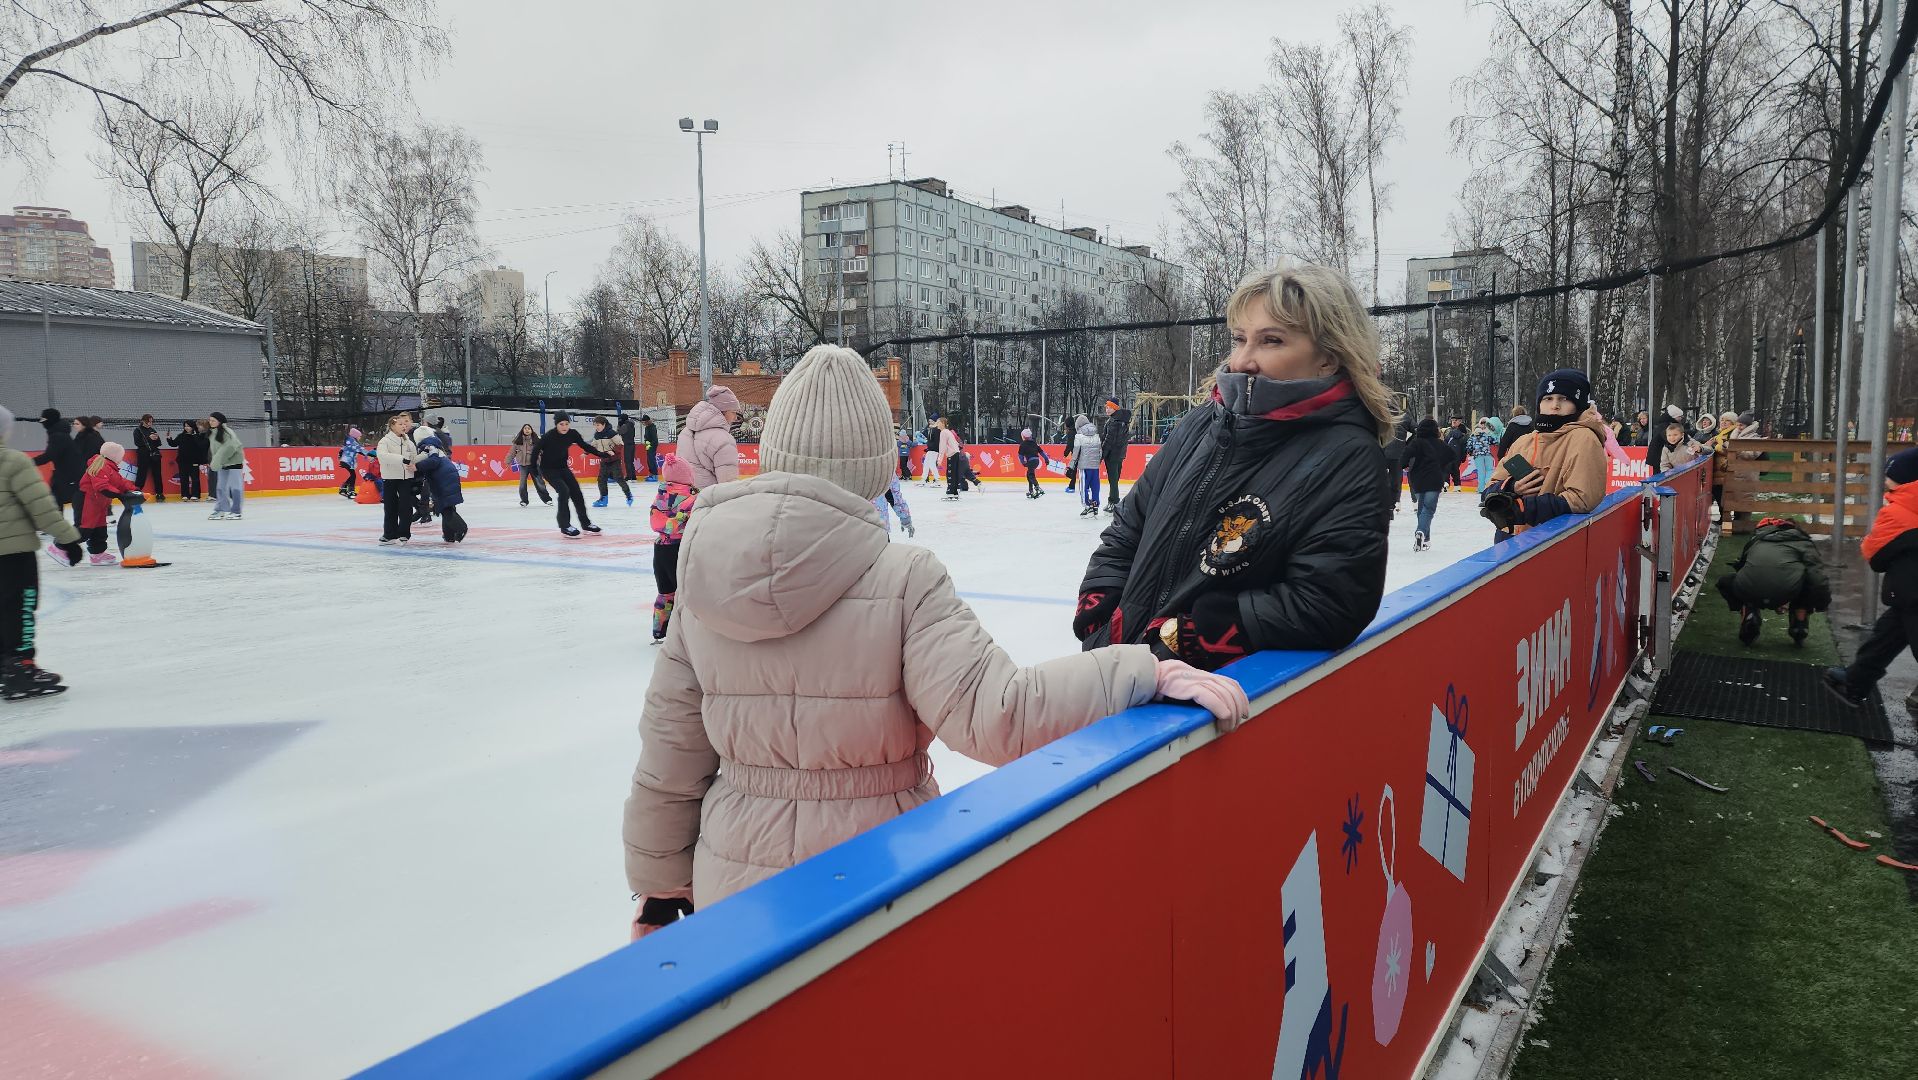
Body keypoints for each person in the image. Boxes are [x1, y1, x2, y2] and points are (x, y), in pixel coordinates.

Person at [622, 344, 1249, 936]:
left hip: (735, 893)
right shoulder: (902, 578)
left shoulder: (702, 578)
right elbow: (999, 714)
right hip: (876, 877)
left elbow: (669, 757)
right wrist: (1142, 670)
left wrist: (659, 891)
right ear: (876, 466)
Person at [1075, 263, 1396, 671]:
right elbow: (1128, 525)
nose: (1243, 360)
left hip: (1202, 690)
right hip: (1116, 665)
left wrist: (1188, 636)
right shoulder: (1202, 422)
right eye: (1240, 339)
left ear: (1328, 359)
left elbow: (1329, 601)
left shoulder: (1347, 455)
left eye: (1271, 341)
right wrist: (1100, 605)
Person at [1826, 449, 1918, 706]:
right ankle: (1855, 682)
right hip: (1907, 596)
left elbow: (1874, 554)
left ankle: (1854, 682)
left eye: (1889, 475)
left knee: (1888, 637)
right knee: (1886, 636)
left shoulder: (1899, 511)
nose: (1885, 481)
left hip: (1911, 592)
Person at [3, 406, 83, 699]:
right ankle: (20, 668)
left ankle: (5, 667)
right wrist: (68, 540)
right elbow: (41, 507)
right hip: (14, 554)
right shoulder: (12, 461)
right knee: (20, 608)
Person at [1480, 370, 1608, 539]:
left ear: (1578, 404)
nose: (1555, 405)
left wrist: (1523, 508)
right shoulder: (1524, 441)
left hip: (1547, 540)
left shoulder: (1583, 438)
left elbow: (1582, 498)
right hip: (1509, 538)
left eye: (1564, 398)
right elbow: (1489, 489)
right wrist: (1511, 488)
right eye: (1548, 398)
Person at [1716, 517, 1829, 645]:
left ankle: (1748, 611)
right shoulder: (1803, 543)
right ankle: (1800, 619)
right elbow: (1818, 579)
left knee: (1725, 582)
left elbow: (1741, 567)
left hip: (1750, 588)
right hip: (1786, 589)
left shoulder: (1757, 539)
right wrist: (1821, 604)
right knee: (1809, 580)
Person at [538, 412, 612, 537]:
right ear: (557, 425)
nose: (564, 427)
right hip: (548, 469)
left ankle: (586, 524)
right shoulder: (549, 436)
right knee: (564, 492)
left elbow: (585, 446)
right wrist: (534, 471)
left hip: (563, 468)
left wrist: (601, 454)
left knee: (577, 493)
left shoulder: (572, 434)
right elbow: (536, 450)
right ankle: (565, 526)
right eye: (561, 424)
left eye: (567, 424)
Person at [649, 453, 697, 642]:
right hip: (680, 550)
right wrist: (683, 518)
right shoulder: (693, 498)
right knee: (684, 592)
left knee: (665, 592)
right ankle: (687, 631)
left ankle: (659, 630)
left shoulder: (659, 497)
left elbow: (655, 523)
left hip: (660, 550)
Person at [76, 441, 138, 566]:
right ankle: (60, 545)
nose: (121, 460)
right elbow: (102, 487)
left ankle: (97, 555)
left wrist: (134, 490)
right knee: (84, 530)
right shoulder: (101, 466)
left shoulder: (110, 468)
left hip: (98, 504)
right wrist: (121, 495)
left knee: (100, 530)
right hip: (88, 502)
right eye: (120, 457)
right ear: (114, 456)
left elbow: (121, 482)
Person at [676, 384, 742, 489]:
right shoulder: (723, 439)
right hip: (709, 496)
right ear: (723, 412)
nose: (735, 417)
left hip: (685, 494)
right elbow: (728, 483)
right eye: (733, 412)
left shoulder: (685, 432)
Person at [1404, 418, 1452, 551]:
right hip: (1433, 479)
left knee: (1422, 508)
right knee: (1428, 509)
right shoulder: (1438, 444)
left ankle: (1425, 539)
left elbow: (1405, 455)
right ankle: (1421, 532)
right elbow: (1451, 456)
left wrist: (1405, 465)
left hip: (1417, 479)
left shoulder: (1415, 442)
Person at [414, 430, 468, 542]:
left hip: (442, 478)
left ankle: (461, 528)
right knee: (447, 506)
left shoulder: (427, 446)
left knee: (444, 507)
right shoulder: (435, 444)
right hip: (448, 475)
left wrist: (417, 466)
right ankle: (449, 535)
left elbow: (434, 461)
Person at [32, 408, 83, 527]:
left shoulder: (58, 436)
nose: (42, 423)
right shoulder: (60, 433)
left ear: (50, 420)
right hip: (66, 474)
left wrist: (28, 462)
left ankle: (77, 526)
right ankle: (59, 525)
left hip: (70, 475)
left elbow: (49, 455)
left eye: (44, 420)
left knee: (67, 500)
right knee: (56, 499)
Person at [376, 413, 418, 544]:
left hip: (406, 479)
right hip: (390, 478)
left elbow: (414, 457)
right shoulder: (385, 441)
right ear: (392, 426)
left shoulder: (408, 442)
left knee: (406, 507)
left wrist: (415, 464)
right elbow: (382, 456)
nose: (403, 426)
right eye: (400, 424)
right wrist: (402, 459)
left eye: (405, 424)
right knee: (390, 507)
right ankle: (389, 535)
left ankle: (404, 533)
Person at [205, 412, 246, 520]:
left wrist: (216, 461)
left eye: (213, 420)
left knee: (235, 488)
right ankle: (220, 509)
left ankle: (236, 511)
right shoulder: (212, 433)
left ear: (220, 421)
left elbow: (229, 447)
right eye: (210, 420)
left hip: (234, 462)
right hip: (222, 463)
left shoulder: (227, 432)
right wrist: (215, 460)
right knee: (221, 487)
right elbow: (215, 450)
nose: (211, 422)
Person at [590, 415, 633, 508]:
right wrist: (586, 452)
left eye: (598, 425)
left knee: (619, 478)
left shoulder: (611, 433)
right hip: (604, 460)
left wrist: (613, 451)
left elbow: (621, 444)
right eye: (595, 425)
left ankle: (629, 495)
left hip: (614, 460)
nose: (596, 427)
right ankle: (603, 499)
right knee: (601, 479)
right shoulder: (597, 435)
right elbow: (593, 445)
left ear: (604, 424)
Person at [1100, 396, 1131, 513]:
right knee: (1114, 480)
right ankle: (1113, 501)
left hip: (1112, 455)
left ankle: (1114, 503)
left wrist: (1102, 455)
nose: (1107, 409)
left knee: (1113, 481)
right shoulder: (1122, 420)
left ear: (1115, 408)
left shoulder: (1114, 422)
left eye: (1110, 407)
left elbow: (1109, 440)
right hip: (1119, 454)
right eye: (1106, 407)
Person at [509, 423, 550, 506]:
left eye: (529, 428)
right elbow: (512, 452)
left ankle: (547, 499)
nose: (527, 430)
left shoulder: (536, 440)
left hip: (534, 465)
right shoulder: (518, 441)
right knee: (522, 484)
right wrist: (508, 461)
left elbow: (544, 451)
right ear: (522, 430)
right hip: (523, 465)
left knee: (539, 482)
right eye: (525, 428)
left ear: (531, 430)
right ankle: (524, 501)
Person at [1071, 415, 1104, 516]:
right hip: (1095, 466)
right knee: (1095, 486)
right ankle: (1095, 504)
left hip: (1084, 466)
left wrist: (1071, 465)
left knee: (1083, 487)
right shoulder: (1096, 435)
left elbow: (1075, 453)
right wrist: (1097, 462)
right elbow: (1100, 451)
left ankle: (1087, 505)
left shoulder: (1078, 436)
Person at [169, 419, 208, 501]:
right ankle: (185, 494)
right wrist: (169, 439)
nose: (186, 428)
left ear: (193, 427)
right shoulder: (181, 436)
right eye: (185, 426)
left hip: (194, 461)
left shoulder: (197, 436)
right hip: (182, 460)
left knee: (195, 478)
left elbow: (202, 446)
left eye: (188, 426)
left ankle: (195, 494)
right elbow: (173, 444)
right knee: (184, 478)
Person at [133, 414, 166, 502]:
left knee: (157, 474)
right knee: (141, 474)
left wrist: (156, 438)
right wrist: (149, 438)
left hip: (154, 454)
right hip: (143, 455)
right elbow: (137, 442)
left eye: (151, 422)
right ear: (143, 421)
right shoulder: (138, 430)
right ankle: (136, 493)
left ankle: (159, 493)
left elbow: (159, 443)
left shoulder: (152, 430)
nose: (150, 423)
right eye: (148, 421)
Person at [1466, 417, 1500, 495]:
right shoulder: (1486, 435)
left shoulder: (1472, 437)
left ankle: (1481, 489)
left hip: (1478, 456)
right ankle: (1487, 487)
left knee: (1481, 471)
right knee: (1489, 470)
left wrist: (1471, 452)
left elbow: (1469, 446)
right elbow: (1495, 441)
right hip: (1487, 455)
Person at [876, 471, 915, 537]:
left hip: (858, 525)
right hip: (878, 525)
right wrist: (906, 519)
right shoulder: (886, 470)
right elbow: (895, 497)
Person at [1017, 427, 1050, 499]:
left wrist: (1023, 463)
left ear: (1023, 436)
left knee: (1030, 475)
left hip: (1031, 461)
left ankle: (1037, 488)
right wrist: (1046, 459)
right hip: (1036, 461)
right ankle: (1031, 491)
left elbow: (1020, 455)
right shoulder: (1034, 443)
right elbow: (1042, 452)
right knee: (1029, 475)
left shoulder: (1023, 444)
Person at [337, 427, 370, 498]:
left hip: (345, 461)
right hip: (347, 461)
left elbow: (342, 450)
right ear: (355, 436)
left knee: (352, 475)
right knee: (353, 475)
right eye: (359, 436)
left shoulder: (349, 441)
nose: (360, 438)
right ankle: (351, 491)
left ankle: (343, 488)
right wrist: (370, 454)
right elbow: (359, 449)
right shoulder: (352, 442)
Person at [1443, 416, 1469, 490]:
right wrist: (1463, 457)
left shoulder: (1464, 432)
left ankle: (1447, 483)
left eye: (1456, 420)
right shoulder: (1448, 430)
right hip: (1455, 455)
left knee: (1449, 469)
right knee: (1454, 470)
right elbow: (1464, 447)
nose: (1454, 422)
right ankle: (1456, 486)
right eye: (1453, 420)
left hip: (1451, 454)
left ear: (1460, 421)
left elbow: (1445, 443)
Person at [618, 412, 639, 483]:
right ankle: (633, 476)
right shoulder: (631, 425)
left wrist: (619, 425)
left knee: (627, 461)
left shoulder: (625, 426)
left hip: (627, 444)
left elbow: (619, 432)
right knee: (631, 461)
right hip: (632, 444)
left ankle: (629, 476)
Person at [642, 413, 661, 482]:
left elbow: (655, 440)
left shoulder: (652, 428)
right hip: (648, 446)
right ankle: (651, 474)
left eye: (644, 422)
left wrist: (650, 445)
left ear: (647, 421)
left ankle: (655, 475)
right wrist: (646, 442)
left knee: (652, 460)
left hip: (652, 446)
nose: (644, 424)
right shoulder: (647, 427)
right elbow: (646, 437)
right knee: (649, 460)